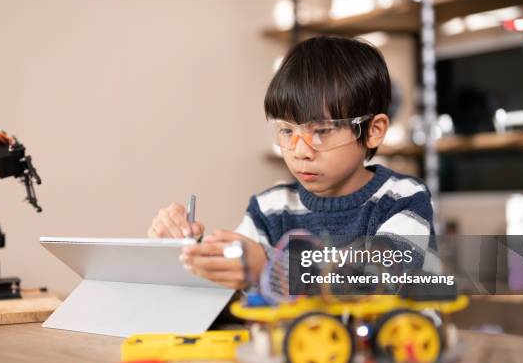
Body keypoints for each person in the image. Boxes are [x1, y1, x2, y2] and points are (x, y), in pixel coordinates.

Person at [147, 36, 434, 291]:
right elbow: (233, 287)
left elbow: (376, 281)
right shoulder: (270, 208)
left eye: (321, 132)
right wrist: (190, 253)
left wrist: (267, 269)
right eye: (287, 131)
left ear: (373, 130)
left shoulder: (403, 199)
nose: (300, 151)